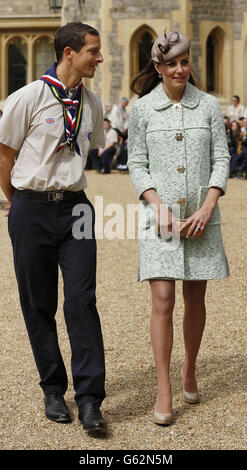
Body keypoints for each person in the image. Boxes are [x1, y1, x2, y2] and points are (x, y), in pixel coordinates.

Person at [0, 22, 108, 436]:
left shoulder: (92, 102)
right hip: (30, 209)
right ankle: (52, 388)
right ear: (69, 53)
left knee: (82, 300)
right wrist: (17, 202)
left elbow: (88, 149)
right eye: (93, 51)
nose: (99, 58)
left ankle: (89, 398)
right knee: (38, 303)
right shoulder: (27, 97)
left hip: (76, 208)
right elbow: (4, 156)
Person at [128, 30, 230, 426]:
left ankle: (190, 368)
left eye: (185, 61)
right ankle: (164, 388)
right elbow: (136, 162)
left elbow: (221, 157)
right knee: (163, 301)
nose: (180, 69)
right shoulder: (142, 109)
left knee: (195, 299)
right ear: (158, 67)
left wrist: (209, 204)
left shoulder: (207, 105)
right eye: (171, 63)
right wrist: (157, 207)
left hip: (203, 218)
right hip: (161, 221)